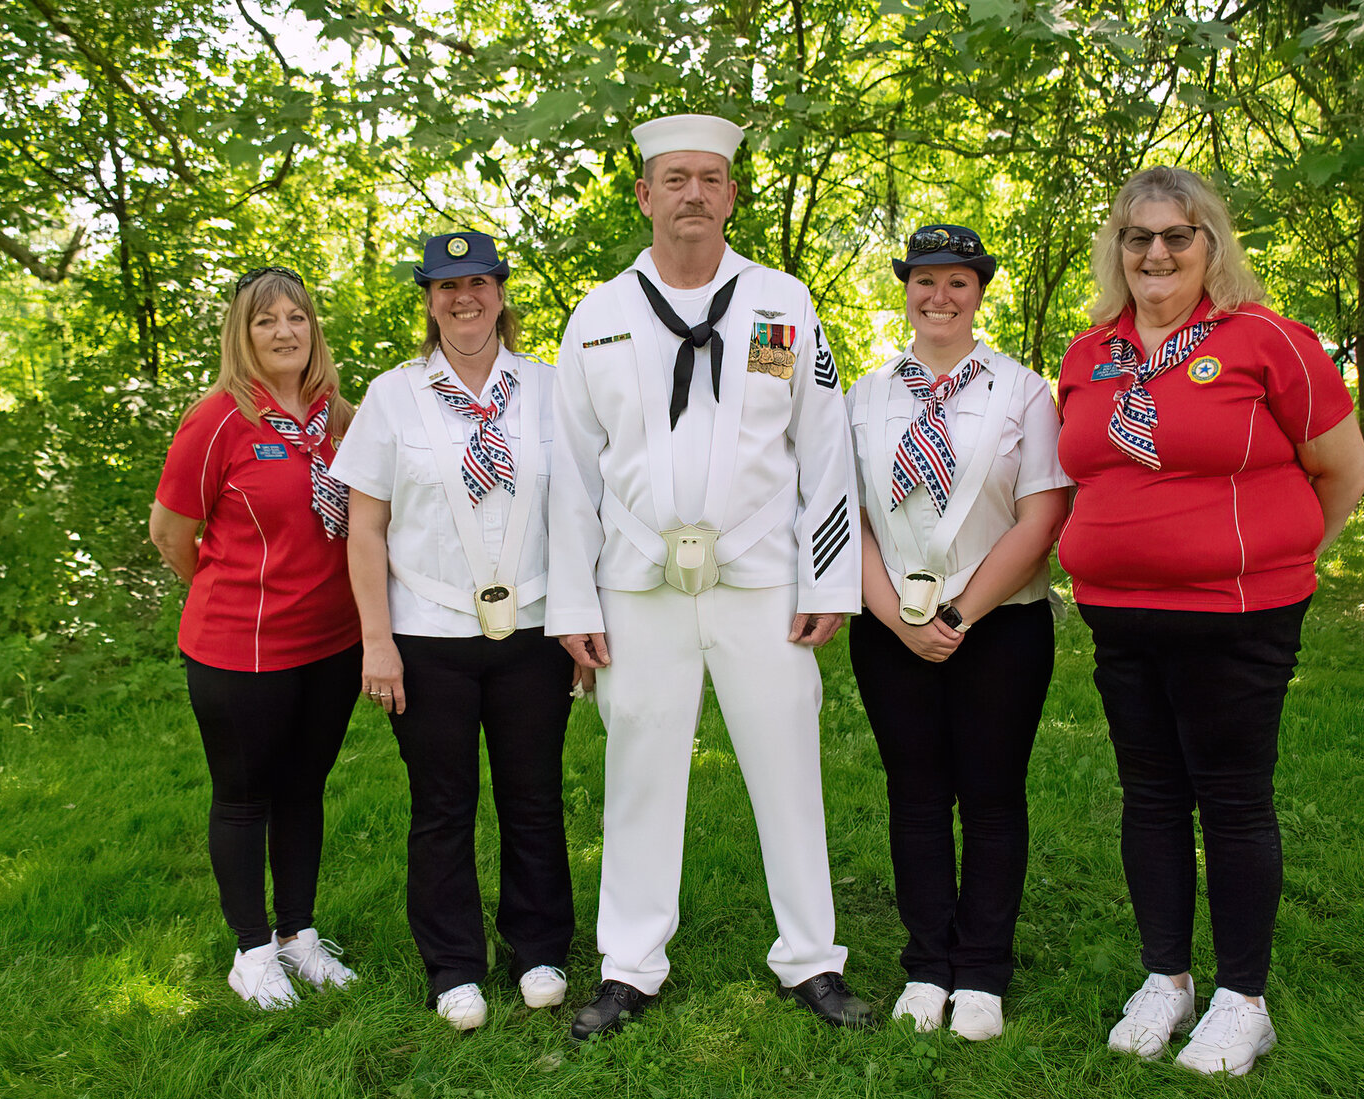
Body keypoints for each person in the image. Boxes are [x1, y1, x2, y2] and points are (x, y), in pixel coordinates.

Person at [548, 113, 867, 1040]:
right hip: (636, 584)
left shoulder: (781, 304)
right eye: (674, 178)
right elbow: (570, 469)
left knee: (786, 766)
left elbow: (823, 448)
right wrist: (572, 600)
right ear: (645, 195)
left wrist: (827, 581)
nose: (694, 193)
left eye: (711, 179)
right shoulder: (599, 317)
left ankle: (811, 958)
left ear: (731, 194)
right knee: (639, 768)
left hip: (763, 577)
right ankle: (629, 965)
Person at [1057, 166, 1364, 1075]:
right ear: (1118, 250)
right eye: (1138, 237)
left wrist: (1283, 556)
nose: (1157, 253)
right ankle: (1168, 977)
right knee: (1150, 796)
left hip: (1237, 616)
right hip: (1119, 615)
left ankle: (1243, 997)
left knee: (1233, 801)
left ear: (1210, 245)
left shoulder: (1266, 340)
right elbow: (1085, 470)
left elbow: (1344, 469)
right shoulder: (1093, 353)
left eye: (1177, 236)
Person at [329, 232, 575, 1032]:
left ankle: (539, 948)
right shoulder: (392, 396)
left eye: (477, 283)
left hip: (533, 628)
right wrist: (376, 640)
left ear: (502, 292)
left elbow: (580, 512)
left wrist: (580, 617)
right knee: (442, 803)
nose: (463, 299)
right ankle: (455, 966)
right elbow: (364, 528)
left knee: (533, 797)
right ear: (428, 302)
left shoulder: (549, 389)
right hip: (427, 631)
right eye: (445, 287)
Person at [846, 225, 1072, 1040]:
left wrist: (961, 613)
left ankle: (980, 969)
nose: (939, 297)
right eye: (925, 281)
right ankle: (927, 963)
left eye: (959, 283)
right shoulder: (865, 396)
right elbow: (848, 520)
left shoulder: (1023, 392)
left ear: (981, 292)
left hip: (999, 626)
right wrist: (896, 620)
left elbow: (1043, 512)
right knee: (914, 795)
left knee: (990, 795)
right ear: (905, 287)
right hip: (890, 629)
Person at [149, 265, 361, 1009]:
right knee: (245, 797)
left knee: (304, 789)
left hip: (335, 642)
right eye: (266, 320)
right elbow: (171, 533)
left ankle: (298, 935)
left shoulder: (338, 415)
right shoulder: (217, 419)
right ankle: (250, 949)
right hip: (242, 649)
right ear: (242, 333)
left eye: (296, 318)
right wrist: (231, 591)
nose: (284, 332)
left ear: (314, 330)